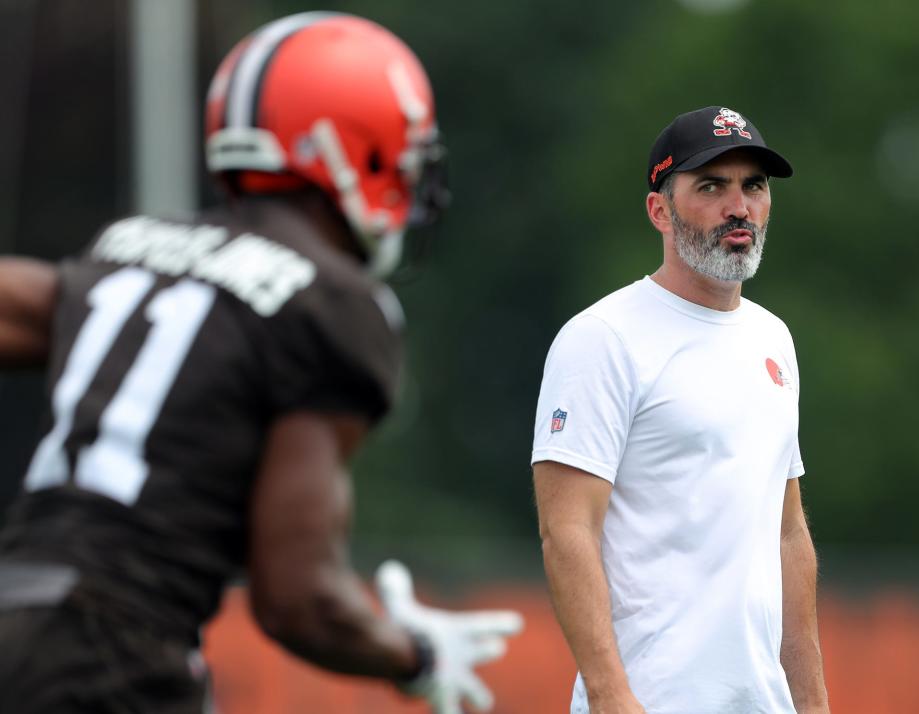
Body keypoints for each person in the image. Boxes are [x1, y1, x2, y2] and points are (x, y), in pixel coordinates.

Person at [0, 13, 521, 714]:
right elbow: (298, 600)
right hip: (113, 654)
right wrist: (413, 654)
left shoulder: (125, 249)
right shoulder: (333, 305)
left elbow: (30, 301)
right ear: (356, 150)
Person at [531, 106, 829, 714]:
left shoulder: (774, 339)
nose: (738, 206)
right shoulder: (603, 339)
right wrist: (613, 698)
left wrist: (812, 703)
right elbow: (567, 533)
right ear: (659, 211)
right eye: (711, 186)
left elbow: (787, 532)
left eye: (754, 185)